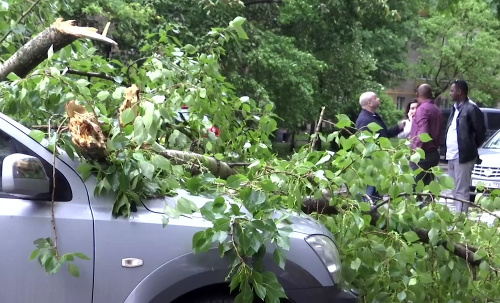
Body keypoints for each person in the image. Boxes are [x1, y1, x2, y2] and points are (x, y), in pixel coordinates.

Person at [444, 80, 486, 213]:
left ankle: (461, 221)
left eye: (452, 91)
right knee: (453, 189)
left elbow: (480, 132)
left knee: (462, 190)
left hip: (463, 156)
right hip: (451, 155)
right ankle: (457, 219)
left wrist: (470, 148)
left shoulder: (471, 108)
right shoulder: (455, 108)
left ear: (459, 92)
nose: (450, 93)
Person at [356, 91, 405, 200]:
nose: (378, 99)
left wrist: (399, 128)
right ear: (369, 103)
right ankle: (368, 211)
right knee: (370, 192)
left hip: (379, 162)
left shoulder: (374, 116)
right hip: (372, 164)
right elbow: (366, 143)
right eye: (375, 98)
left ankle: (373, 211)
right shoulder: (364, 120)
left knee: (376, 191)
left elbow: (384, 135)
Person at [409, 84, 443, 188]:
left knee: (413, 189)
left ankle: (416, 204)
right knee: (428, 190)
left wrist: (415, 150)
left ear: (417, 94)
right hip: (434, 154)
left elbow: (423, 133)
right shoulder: (436, 109)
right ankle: (426, 204)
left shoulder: (422, 109)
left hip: (422, 155)